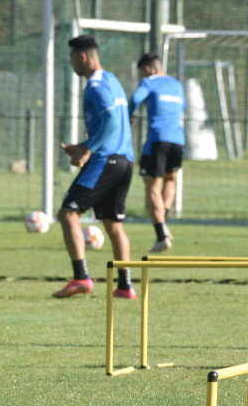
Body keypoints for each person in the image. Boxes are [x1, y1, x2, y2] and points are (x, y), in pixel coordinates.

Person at [54, 35, 136, 300]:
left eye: (71, 58)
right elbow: (113, 124)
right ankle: (125, 286)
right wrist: (83, 144)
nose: (71, 64)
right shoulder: (112, 80)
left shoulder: (95, 86)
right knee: (113, 224)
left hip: (105, 160)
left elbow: (111, 121)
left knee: (68, 214)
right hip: (124, 160)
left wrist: (88, 151)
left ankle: (81, 278)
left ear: (82, 56)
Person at [128, 52, 186, 253]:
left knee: (152, 188)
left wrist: (129, 114)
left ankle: (161, 235)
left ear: (148, 69)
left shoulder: (149, 82)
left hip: (157, 140)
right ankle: (163, 221)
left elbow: (135, 99)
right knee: (170, 180)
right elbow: (183, 108)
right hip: (178, 141)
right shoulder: (176, 85)